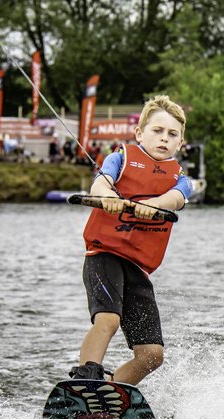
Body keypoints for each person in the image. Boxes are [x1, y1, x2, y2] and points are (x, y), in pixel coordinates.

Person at [70, 95, 193, 385]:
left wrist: (156, 203)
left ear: (180, 143)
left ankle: (112, 392)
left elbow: (175, 199)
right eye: (157, 131)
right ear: (140, 133)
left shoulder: (181, 178)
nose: (164, 138)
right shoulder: (120, 158)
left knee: (152, 354)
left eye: (172, 134)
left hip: (137, 268)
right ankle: (88, 376)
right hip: (104, 256)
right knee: (108, 319)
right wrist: (109, 197)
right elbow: (100, 183)